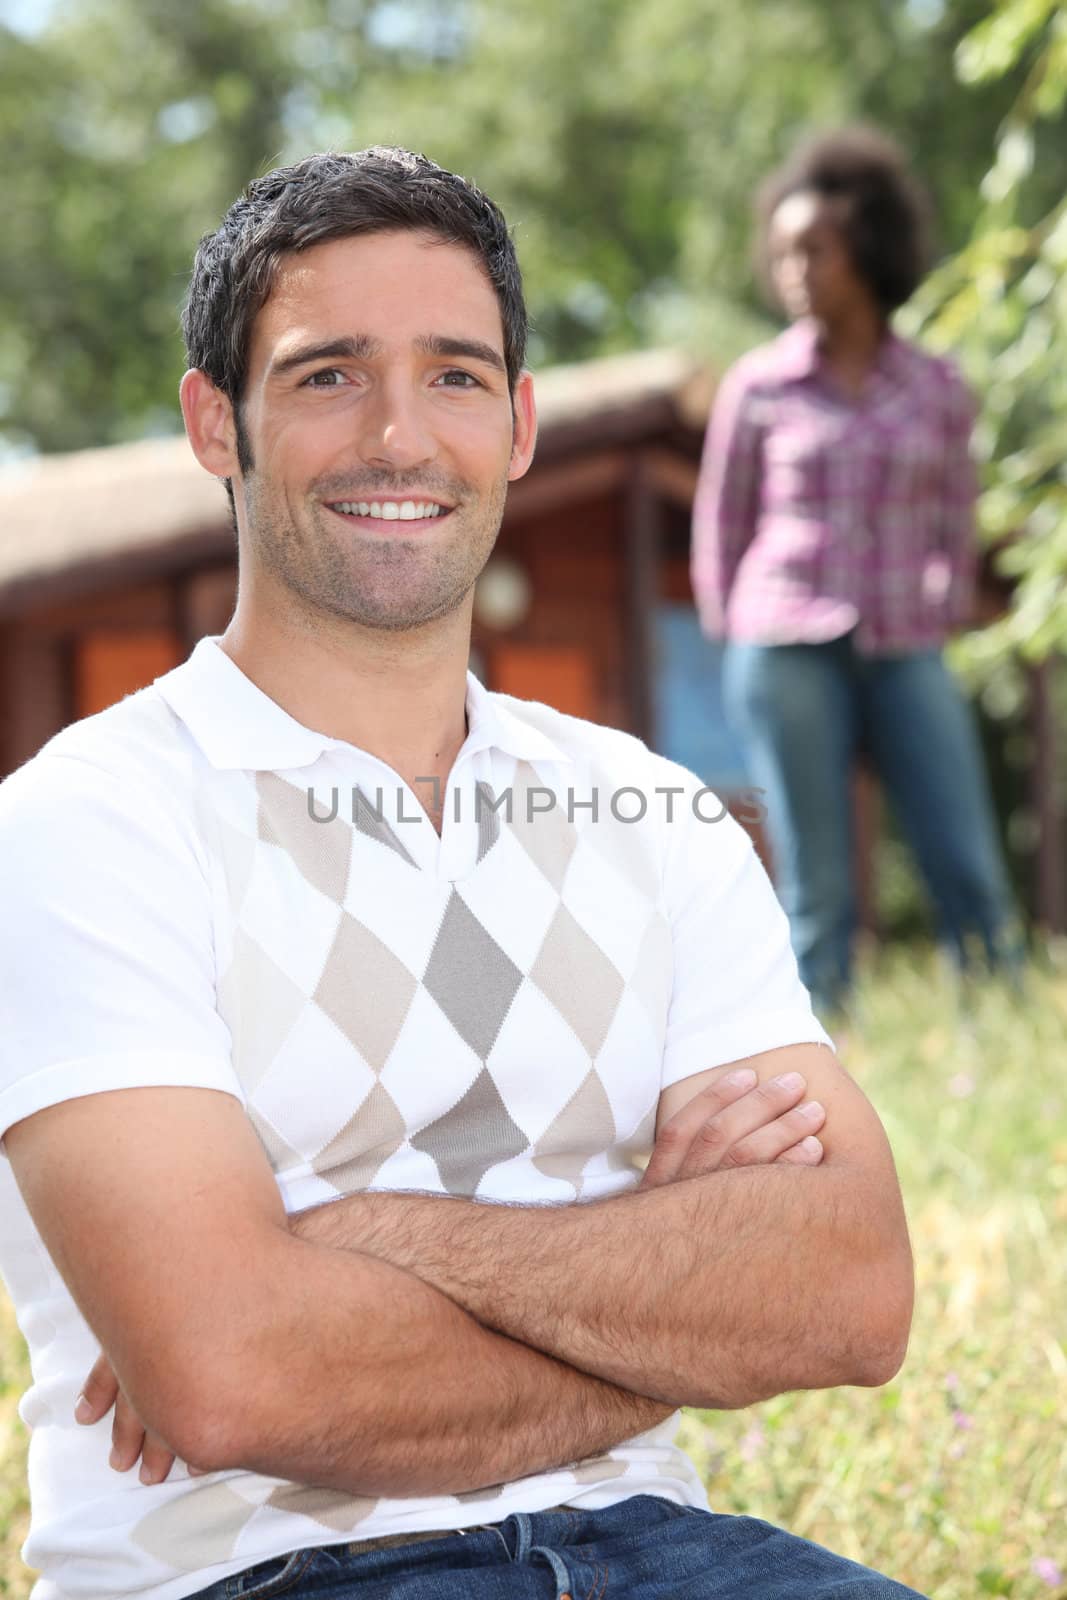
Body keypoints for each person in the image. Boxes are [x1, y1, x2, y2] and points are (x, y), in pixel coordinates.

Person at [0, 147, 922, 1600]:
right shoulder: (84, 827)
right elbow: (236, 1379)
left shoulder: (648, 808)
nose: (396, 436)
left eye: (453, 376)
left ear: (519, 424)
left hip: (668, 1553)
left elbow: (848, 1294)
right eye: (323, 376)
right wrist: (669, 1313)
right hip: (267, 1578)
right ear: (211, 424)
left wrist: (356, 1241)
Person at [691, 127, 1019, 1020]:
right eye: (782, 251)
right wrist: (737, 634)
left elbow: (956, 521)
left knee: (963, 855)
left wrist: (939, 614)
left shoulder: (938, 388)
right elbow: (720, 523)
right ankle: (821, 1046)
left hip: (905, 643)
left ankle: (999, 1024)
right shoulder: (758, 387)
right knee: (818, 879)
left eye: (814, 250)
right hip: (784, 640)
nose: (792, 267)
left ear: (865, 250)